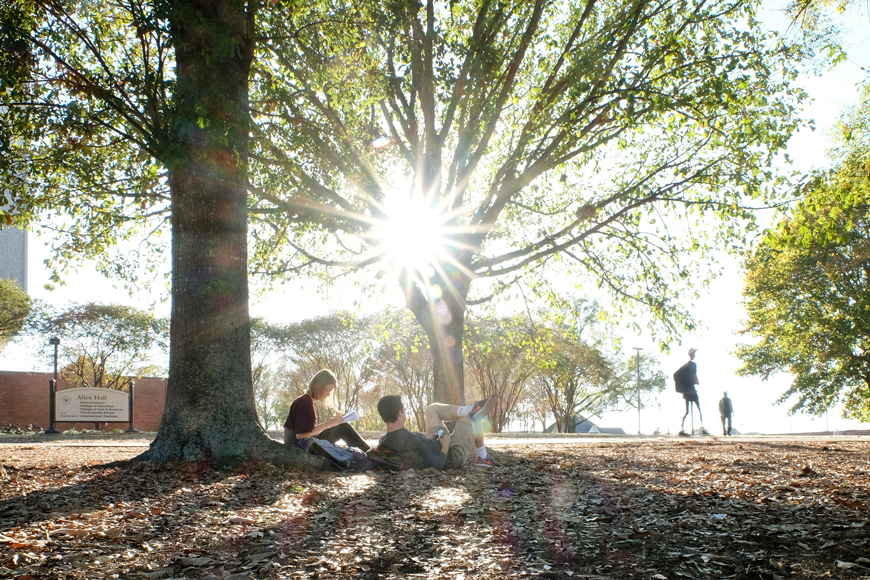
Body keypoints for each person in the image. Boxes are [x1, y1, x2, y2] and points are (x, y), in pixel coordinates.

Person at [375, 394, 496, 469]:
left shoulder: (383, 440)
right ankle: (483, 457)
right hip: (451, 455)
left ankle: (469, 409)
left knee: (432, 409)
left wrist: (428, 439)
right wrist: (445, 446)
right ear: (400, 413)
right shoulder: (411, 440)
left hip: (437, 441)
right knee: (470, 418)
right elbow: (437, 464)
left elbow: (417, 447)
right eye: (404, 411)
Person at [283, 369, 370, 452]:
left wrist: (334, 422)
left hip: (305, 443)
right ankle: (370, 453)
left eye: (330, 391)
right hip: (299, 447)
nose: (328, 394)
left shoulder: (307, 401)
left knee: (340, 426)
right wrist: (329, 424)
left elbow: (309, 430)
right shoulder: (304, 402)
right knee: (342, 427)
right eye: (327, 390)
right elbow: (300, 435)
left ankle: (369, 452)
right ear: (317, 386)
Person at [679, 347, 705, 435]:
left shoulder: (685, 366)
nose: (695, 355)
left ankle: (682, 427)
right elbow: (694, 376)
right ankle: (702, 428)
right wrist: (697, 382)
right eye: (694, 354)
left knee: (687, 411)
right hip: (692, 391)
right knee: (699, 409)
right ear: (691, 354)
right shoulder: (693, 365)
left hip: (686, 391)